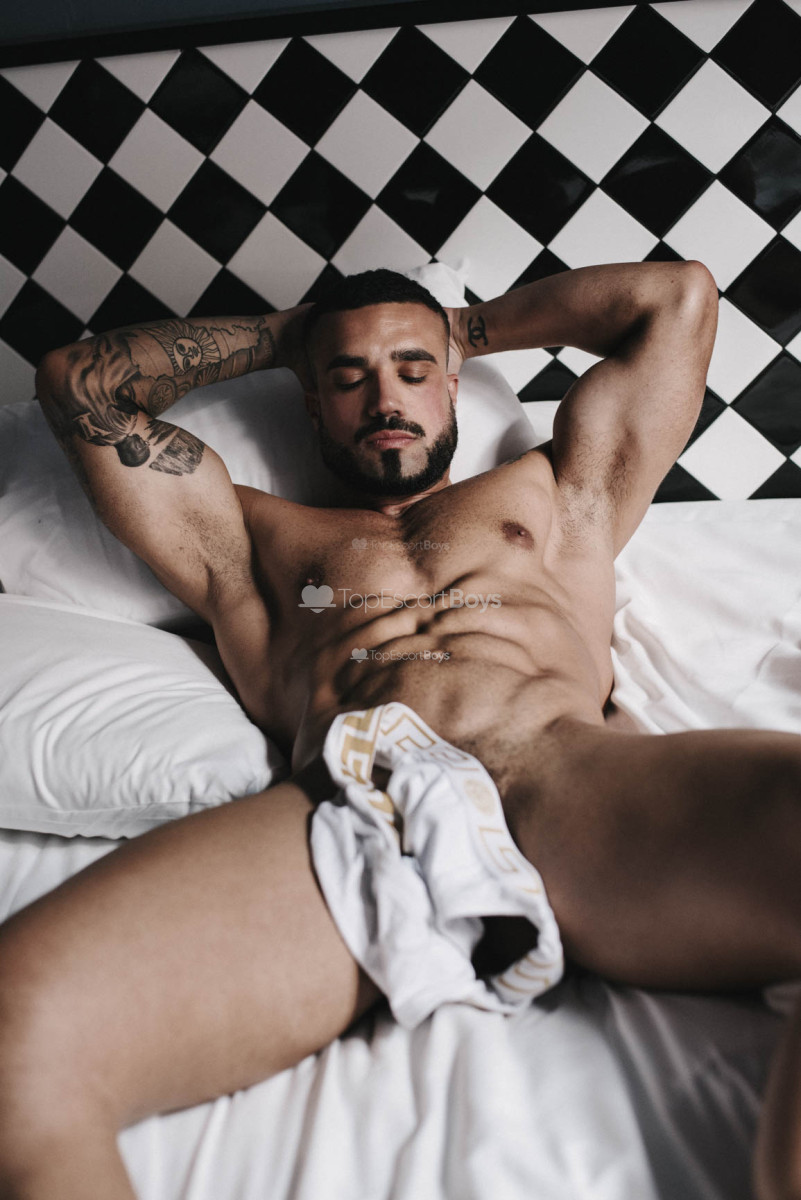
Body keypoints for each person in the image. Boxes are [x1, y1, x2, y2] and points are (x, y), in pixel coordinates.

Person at [1, 262, 799, 1200]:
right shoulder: (256, 540)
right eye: (349, 378)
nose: (385, 397)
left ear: (452, 380)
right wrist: (293, 336)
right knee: (21, 1039)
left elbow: (676, 299)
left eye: (413, 370)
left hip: (567, 774)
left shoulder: (558, 497)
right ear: (312, 401)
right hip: (357, 804)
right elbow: (79, 382)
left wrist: (462, 325)